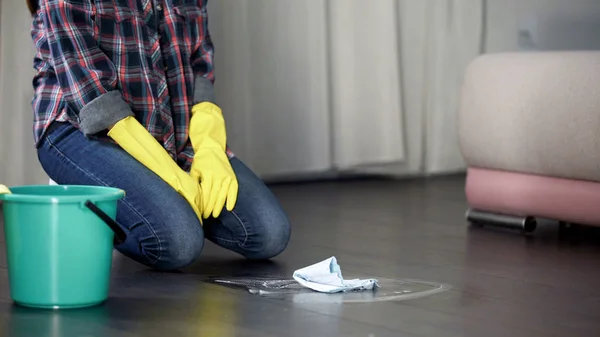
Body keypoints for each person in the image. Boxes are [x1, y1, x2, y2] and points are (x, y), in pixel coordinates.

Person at [26, 0, 291, 271]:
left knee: (269, 232)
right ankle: (92, 211)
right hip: (81, 129)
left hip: (172, 133)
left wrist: (210, 149)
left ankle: (147, 200)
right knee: (179, 242)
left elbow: (200, 65)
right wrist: (173, 177)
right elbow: (95, 102)